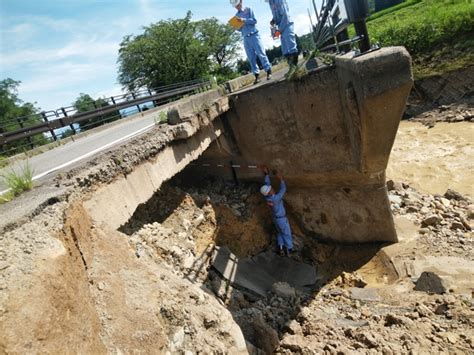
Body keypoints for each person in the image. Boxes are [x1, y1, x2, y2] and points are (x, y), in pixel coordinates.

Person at [230, 0, 272, 84]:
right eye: (235, 6)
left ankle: (268, 72)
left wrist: (244, 20)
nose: (237, 7)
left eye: (237, 4)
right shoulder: (236, 16)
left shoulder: (248, 9)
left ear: (241, 2)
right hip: (245, 37)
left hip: (254, 35)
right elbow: (240, 29)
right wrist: (235, 28)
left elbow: (254, 21)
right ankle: (257, 76)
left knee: (261, 53)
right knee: (251, 58)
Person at [260, 166, 293, 256]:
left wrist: (266, 174)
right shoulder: (276, 198)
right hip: (281, 219)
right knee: (287, 233)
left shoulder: (267, 197)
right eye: (270, 189)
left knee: (280, 232)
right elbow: (283, 189)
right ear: (269, 192)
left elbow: (267, 184)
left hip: (276, 219)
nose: (272, 188)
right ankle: (289, 250)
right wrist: (280, 178)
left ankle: (281, 248)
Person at [265, 0, 299, 69]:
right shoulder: (271, 2)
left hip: (286, 24)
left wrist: (279, 30)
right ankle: (291, 67)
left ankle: (295, 67)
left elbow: (285, 16)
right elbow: (276, 15)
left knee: (291, 45)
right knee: (285, 48)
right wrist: (273, 20)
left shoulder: (279, 1)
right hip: (280, 25)